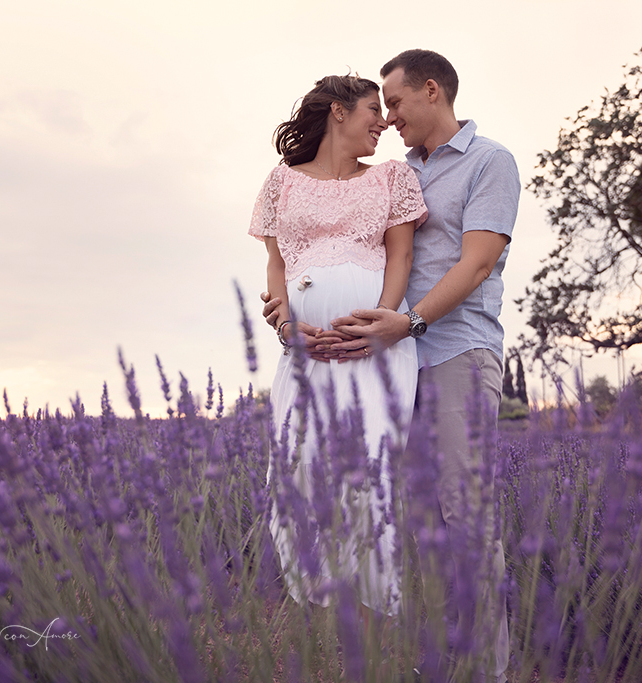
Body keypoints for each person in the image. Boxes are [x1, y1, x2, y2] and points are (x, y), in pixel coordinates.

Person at [263, 49, 519, 682]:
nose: (389, 118)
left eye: (395, 103)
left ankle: (486, 671)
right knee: (404, 517)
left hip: (454, 350)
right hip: (389, 363)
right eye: (379, 107)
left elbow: (477, 262)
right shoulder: (392, 172)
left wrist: (407, 321)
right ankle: (434, 662)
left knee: (465, 511)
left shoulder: (490, 163)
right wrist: (290, 311)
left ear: (431, 92)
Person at [249, 75, 428, 620]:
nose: (384, 122)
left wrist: (382, 323)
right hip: (304, 357)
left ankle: (379, 610)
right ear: (337, 112)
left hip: (375, 353)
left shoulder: (392, 179)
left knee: (368, 472)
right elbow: (277, 267)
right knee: (298, 467)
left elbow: (399, 259)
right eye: (374, 109)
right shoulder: (281, 183)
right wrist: (286, 331)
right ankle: (320, 606)